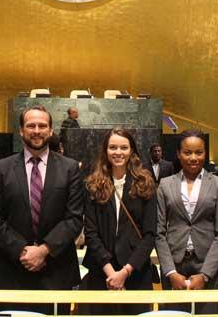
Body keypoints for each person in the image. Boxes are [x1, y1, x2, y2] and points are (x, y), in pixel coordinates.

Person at [0, 105, 83, 314]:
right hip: (12, 269)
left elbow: (74, 218)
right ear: (21, 130)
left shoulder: (70, 168)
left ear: (50, 130)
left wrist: (43, 251)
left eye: (42, 125)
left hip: (56, 270)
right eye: (31, 125)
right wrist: (23, 250)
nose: (36, 130)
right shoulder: (0, 168)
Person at [82, 128, 156, 315]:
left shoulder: (145, 183)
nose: (118, 152)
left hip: (135, 272)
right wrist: (111, 274)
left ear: (131, 151)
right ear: (105, 151)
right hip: (102, 272)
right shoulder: (93, 184)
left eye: (124, 147)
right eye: (113, 147)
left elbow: (150, 234)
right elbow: (91, 234)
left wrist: (124, 272)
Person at [156, 130, 218, 313]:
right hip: (174, 263)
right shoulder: (165, 184)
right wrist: (170, 272)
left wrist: (205, 274)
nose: (193, 157)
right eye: (187, 152)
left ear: (205, 153)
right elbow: (159, 233)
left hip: (207, 263)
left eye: (199, 152)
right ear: (178, 154)